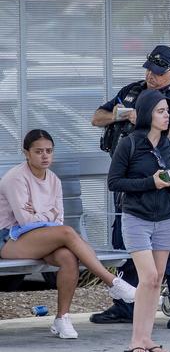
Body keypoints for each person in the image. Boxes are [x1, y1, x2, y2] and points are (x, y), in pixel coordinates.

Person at [90, 45, 170, 329]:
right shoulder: (131, 91)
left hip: (161, 183)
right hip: (130, 180)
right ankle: (127, 305)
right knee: (127, 246)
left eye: (159, 72)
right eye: (150, 69)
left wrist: (152, 118)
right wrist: (124, 115)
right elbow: (97, 117)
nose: (152, 75)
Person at [0, 129, 136, 339]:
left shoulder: (53, 179)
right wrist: (48, 215)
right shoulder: (15, 178)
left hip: (42, 236)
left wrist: (40, 214)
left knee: (68, 257)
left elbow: (58, 218)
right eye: (38, 152)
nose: (45, 156)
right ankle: (112, 282)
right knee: (66, 232)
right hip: (10, 238)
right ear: (26, 153)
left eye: (49, 151)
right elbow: (27, 221)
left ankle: (62, 319)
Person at [109, 89, 170, 352]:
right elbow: (114, 182)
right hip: (136, 217)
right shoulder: (129, 143)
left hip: (165, 218)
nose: (166, 117)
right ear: (147, 114)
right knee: (148, 276)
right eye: (160, 111)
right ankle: (135, 341)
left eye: (167, 112)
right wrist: (150, 183)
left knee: (157, 279)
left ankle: (146, 339)